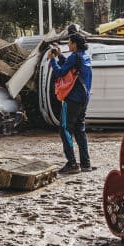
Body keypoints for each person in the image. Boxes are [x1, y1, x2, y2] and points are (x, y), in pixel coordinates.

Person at [48, 32, 93, 174]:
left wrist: (52, 60)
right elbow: (70, 66)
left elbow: (60, 73)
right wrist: (60, 56)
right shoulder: (85, 56)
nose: (68, 44)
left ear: (74, 44)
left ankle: (72, 163)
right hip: (84, 99)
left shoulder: (75, 57)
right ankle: (85, 163)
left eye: (69, 42)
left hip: (73, 99)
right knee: (80, 129)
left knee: (65, 129)